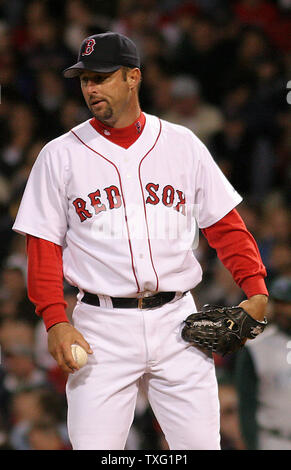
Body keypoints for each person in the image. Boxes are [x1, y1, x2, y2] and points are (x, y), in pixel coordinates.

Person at [12, 31, 268, 450]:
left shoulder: (182, 144)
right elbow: (43, 249)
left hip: (178, 322)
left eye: (102, 77)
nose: (91, 88)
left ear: (133, 77)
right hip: (100, 328)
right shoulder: (60, 155)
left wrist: (255, 288)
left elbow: (225, 227)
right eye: (84, 80)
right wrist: (55, 320)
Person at [235, 276, 291, 450]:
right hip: (273, 440)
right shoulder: (256, 347)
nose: (283, 309)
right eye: (279, 303)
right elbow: (246, 403)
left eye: (288, 303)